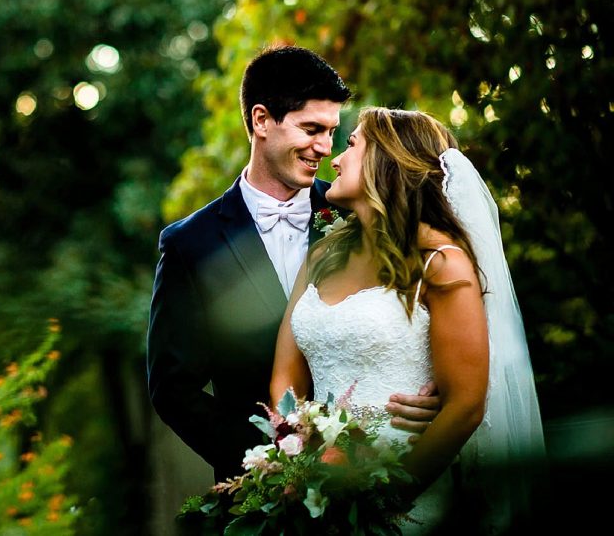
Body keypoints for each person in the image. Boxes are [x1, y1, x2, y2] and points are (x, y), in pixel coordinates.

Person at [146, 46, 438, 484]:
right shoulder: (191, 244)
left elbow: (423, 312)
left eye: (332, 132)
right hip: (262, 494)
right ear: (261, 121)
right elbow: (173, 391)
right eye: (311, 129)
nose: (324, 147)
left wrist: (432, 391)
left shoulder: (360, 211)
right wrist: (267, 464)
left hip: (383, 467)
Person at [270, 107, 545, 533]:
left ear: (388, 158)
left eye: (351, 145)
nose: (335, 160)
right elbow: (285, 378)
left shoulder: (442, 264)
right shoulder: (323, 254)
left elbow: (466, 404)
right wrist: (299, 461)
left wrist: (378, 502)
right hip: (316, 496)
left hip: (406, 501)